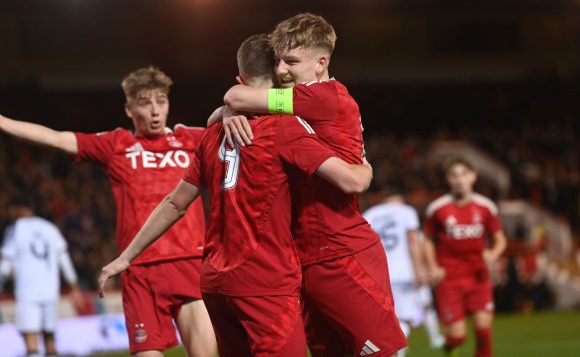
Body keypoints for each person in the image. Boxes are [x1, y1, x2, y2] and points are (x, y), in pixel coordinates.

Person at [97, 33, 374, 356]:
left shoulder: (211, 136)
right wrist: (364, 162)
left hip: (216, 283)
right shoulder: (285, 129)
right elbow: (352, 182)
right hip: (266, 278)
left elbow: (175, 202)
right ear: (280, 76)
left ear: (240, 81)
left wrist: (126, 257)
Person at [222, 13, 407, 357]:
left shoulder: (320, 98)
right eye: (277, 62)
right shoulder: (301, 102)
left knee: (383, 353)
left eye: (291, 62)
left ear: (321, 62)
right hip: (305, 257)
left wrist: (232, 108)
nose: (280, 71)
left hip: (341, 252)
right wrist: (230, 112)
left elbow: (237, 96)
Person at [0, 67, 217, 357]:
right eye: (144, 102)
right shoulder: (116, 145)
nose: (155, 110)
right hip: (138, 270)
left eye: (161, 101)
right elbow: (56, 138)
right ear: (129, 109)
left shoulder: (192, 139)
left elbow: (237, 128)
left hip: (189, 262)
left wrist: (230, 112)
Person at [423, 157, 507, 357]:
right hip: (450, 278)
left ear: (473, 177)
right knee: (457, 337)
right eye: (454, 175)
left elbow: (500, 239)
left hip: (479, 276)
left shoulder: (486, 207)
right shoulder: (437, 209)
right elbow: (427, 239)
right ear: (448, 180)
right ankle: (450, 347)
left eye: (463, 174)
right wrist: (433, 267)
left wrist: (492, 254)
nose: (459, 179)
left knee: (484, 332)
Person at [363, 191, 445, 356]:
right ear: (399, 199)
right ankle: (396, 353)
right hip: (403, 273)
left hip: (378, 275)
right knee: (405, 318)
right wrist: (418, 270)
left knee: (386, 319)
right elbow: (413, 241)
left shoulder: (370, 214)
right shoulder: (406, 211)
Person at [0, 195, 83, 357]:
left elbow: (6, 264)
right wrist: (74, 287)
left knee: (31, 338)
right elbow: (64, 259)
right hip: (50, 292)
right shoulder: (50, 228)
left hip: (27, 293)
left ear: (17, 208)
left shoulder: (15, 229)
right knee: (49, 338)